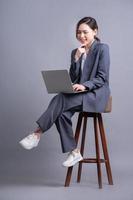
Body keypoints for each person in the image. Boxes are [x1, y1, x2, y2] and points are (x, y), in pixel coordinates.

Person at [19, 16, 110, 167]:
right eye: (78, 32)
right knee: (61, 113)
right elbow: (73, 77)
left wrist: (85, 86)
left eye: (85, 32)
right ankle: (74, 152)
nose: (81, 36)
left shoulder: (102, 49)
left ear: (95, 31)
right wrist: (76, 59)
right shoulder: (76, 51)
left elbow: (102, 77)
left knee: (60, 99)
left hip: (96, 95)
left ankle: (37, 133)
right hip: (81, 95)